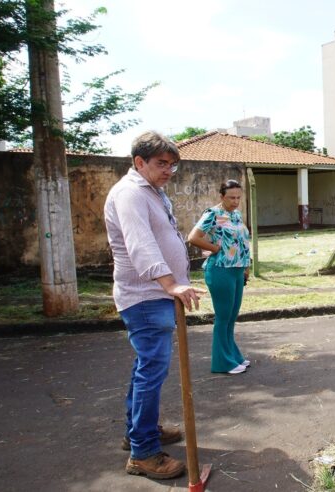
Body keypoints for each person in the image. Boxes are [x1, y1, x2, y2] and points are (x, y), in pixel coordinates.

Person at [104, 130, 205, 480]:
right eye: (162, 164)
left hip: (156, 296)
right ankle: (143, 453)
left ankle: (139, 431)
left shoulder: (151, 193)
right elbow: (140, 245)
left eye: (172, 165)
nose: (168, 171)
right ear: (139, 162)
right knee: (152, 370)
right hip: (146, 298)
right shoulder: (131, 193)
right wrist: (170, 282)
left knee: (146, 368)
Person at [187, 179, 252, 374]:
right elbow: (193, 237)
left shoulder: (236, 214)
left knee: (232, 317)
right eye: (231, 197)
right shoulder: (212, 214)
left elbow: (241, 241)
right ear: (221, 196)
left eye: (238, 197)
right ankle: (223, 363)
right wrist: (216, 249)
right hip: (220, 270)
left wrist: (246, 266)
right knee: (223, 318)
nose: (235, 201)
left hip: (237, 270)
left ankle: (233, 356)